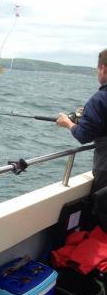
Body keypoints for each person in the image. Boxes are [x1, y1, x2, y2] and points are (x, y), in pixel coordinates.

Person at [57, 48, 107, 194]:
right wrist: (88, 116)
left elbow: (84, 135)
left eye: (98, 70)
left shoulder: (99, 99)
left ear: (103, 69)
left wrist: (68, 122)